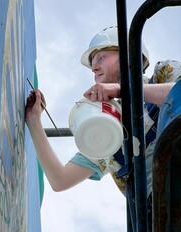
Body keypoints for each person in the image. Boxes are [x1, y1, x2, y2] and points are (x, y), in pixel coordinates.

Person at [25, 26, 178, 197]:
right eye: (92, 64)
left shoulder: (164, 73)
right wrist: (33, 120)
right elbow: (60, 180)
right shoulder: (108, 134)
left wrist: (123, 90)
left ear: (128, 55)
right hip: (165, 211)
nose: (94, 68)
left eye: (101, 58)